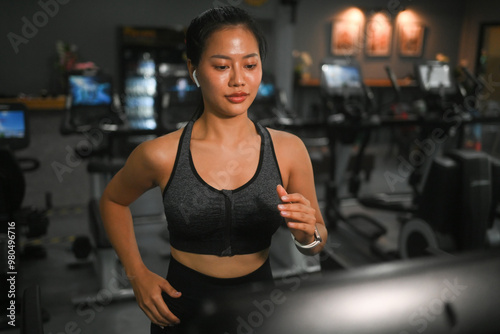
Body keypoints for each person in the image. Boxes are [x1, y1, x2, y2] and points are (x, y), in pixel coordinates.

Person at [99, 6, 327, 333]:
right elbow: (113, 201)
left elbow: (319, 239)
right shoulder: (160, 153)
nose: (238, 80)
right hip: (182, 308)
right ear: (194, 69)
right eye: (221, 66)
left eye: (250, 64)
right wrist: (136, 275)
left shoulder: (288, 149)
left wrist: (307, 235)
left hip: (259, 305)